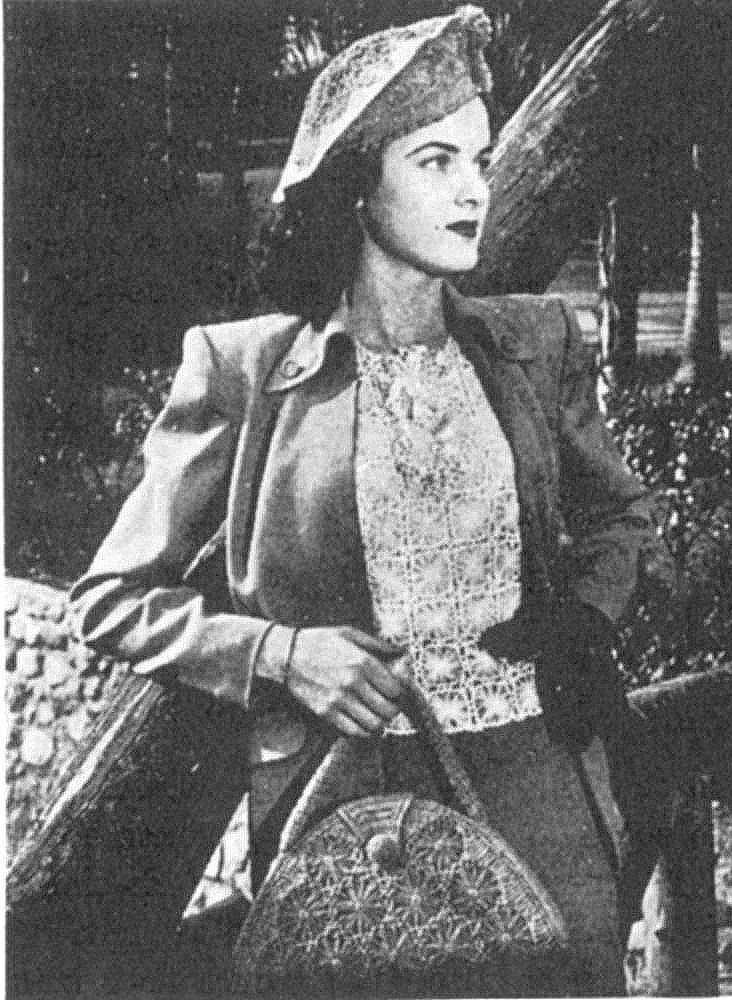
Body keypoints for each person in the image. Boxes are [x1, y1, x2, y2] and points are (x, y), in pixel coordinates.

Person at [71, 6, 672, 996]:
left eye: (480, 160)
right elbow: (111, 598)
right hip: (347, 806)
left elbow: (621, 518)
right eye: (435, 161)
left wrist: (583, 614)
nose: (473, 189)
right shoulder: (243, 369)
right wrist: (281, 655)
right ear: (356, 187)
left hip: (544, 784)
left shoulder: (533, 341)